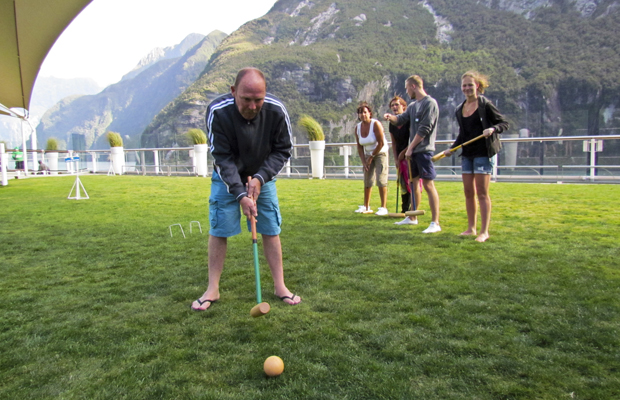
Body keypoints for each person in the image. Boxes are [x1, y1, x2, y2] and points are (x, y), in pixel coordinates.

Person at [191, 67, 301, 311]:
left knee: (270, 227)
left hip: (263, 175)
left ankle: (280, 285)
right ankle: (213, 288)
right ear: (233, 92)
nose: (253, 106)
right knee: (219, 228)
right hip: (226, 176)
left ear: (265, 94)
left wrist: (260, 178)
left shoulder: (276, 110)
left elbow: (283, 150)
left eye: (258, 100)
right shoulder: (217, 112)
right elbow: (221, 157)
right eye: (246, 99)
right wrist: (240, 194)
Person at [439, 71, 509, 242]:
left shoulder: (485, 105)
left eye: (470, 85)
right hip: (468, 154)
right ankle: (471, 228)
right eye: (464, 85)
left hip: (483, 153)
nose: (467, 88)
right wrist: (452, 149)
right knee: (468, 192)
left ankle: (484, 231)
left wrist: (493, 129)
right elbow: (463, 135)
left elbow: (504, 123)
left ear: (477, 85)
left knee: (482, 193)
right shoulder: (459, 109)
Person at [384, 75, 441, 233]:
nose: (407, 91)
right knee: (413, 184)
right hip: (414, 153)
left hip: (424, 151)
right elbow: (401, 119)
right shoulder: (413, 106)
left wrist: (410, 148)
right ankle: (412, 217)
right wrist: (391, 118)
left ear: (414, 86)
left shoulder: (430, 103)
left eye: (407, 88)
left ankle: (435, 222)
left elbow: (425, 129)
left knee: (428, 185)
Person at [353, 102, 389, 216]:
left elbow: (381, 143)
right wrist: (364, 161)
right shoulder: (357, 128)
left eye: (365, 112)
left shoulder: (376, 124)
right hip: (368, 154)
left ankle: (383, 207)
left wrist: (371, 157)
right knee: (367, 179)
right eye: (360, 113)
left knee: (380, 179)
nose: (363, 115)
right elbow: (359, 146)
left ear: (369, 113)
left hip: (380, 152)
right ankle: (366, 206)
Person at [387, 96, 416, 225]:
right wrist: (396, 158)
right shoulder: (392, 124)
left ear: (404, 107)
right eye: (392, 105)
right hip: (399, 156)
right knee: (403, 183)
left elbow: (412, 139)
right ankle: (404, 210)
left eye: (397, 105)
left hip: (410, 155)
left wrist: (403, 154)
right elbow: (393, 143)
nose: (394, 107)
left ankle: (411, 210)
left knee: (411, 182)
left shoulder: (408, 121)